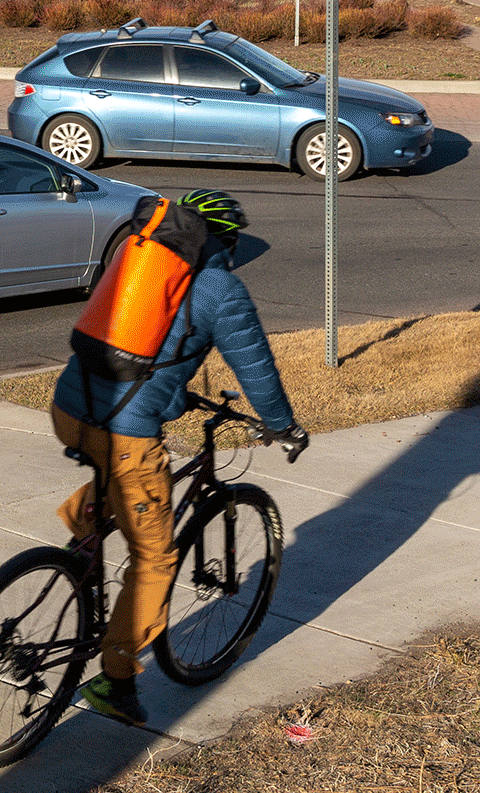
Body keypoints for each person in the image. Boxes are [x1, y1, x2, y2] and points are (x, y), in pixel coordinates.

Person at [52, 188, 307, 727]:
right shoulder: (221, 289)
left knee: (127, 488)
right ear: (226, 240)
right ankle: (115, 680)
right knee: (157, 557)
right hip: (126, 432)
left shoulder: (141, 264)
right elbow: (255, 368)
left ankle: (83, 539)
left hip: (70, 407)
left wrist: (173, 393)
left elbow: (142, 345)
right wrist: (283, 427)